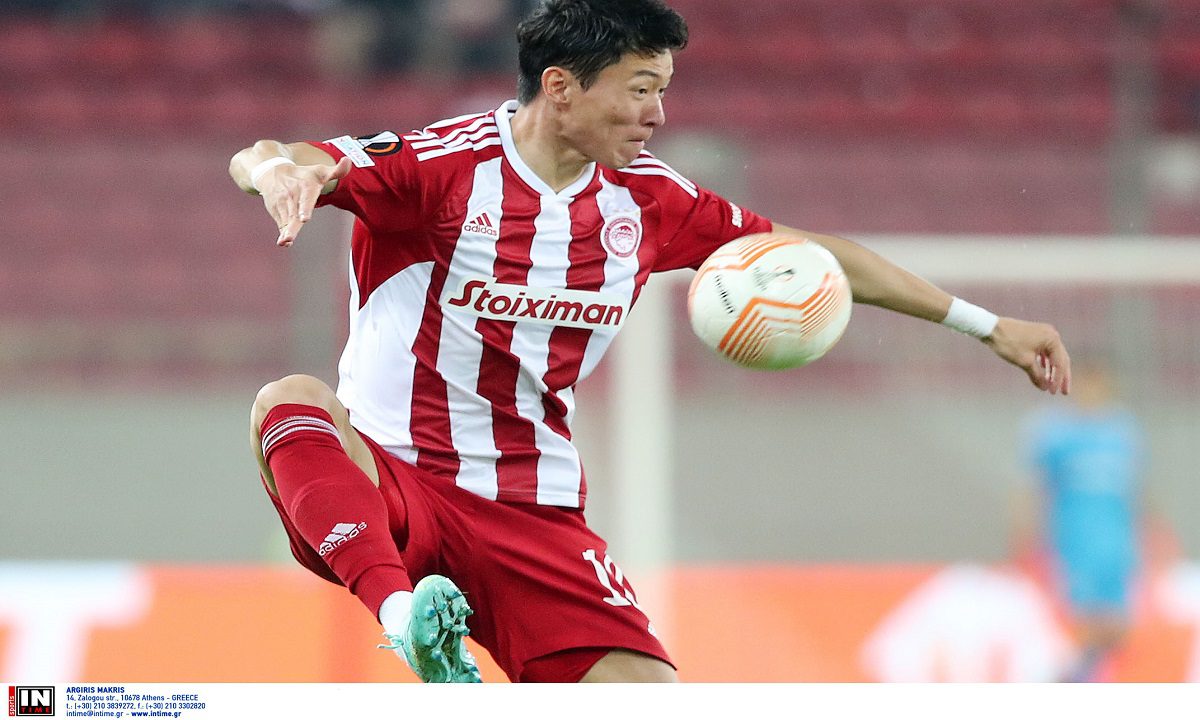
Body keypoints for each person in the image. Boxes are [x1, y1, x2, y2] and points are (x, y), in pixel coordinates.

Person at [228, 0, 1071, 683]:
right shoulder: (442, 167)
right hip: (390, 484)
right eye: (639, 89)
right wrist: (278, 173)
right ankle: (405, 619)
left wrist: (988, 326)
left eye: (662, 89)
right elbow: (271, 154)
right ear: (561, 88)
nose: (658, 114)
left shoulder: (649, 201)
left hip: (532, 513)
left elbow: (818, 258)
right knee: (288, 402)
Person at [1014, 363, 1141, 682]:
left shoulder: (1122, 431)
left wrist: (1146, 537)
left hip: (1116, 544)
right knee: (1081, 623)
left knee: (1117, 629)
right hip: (1073, 544)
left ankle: (1088, 676)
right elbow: (1034, 489)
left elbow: (1134, 492)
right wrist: (1026, 536)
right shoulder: (1054, 433)